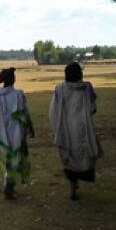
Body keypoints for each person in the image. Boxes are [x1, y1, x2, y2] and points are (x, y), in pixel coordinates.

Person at [49, 62, 103, 200]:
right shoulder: (87, 88)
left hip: (66, 129)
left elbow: (53, 111)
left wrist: (57, 128)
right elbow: (92, 108)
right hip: (83, 129)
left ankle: (72, 187)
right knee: (83, 155)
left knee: (70, 157)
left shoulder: (59, 89)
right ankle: (77, 182)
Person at [0, 67, 35, 199]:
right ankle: (9, 185)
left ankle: (8, 183)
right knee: (15, 159)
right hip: (16, 133)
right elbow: (26, 112)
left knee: (5, 159)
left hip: (0, 132)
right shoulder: (19, 94)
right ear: (13, 79)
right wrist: (31, 127)